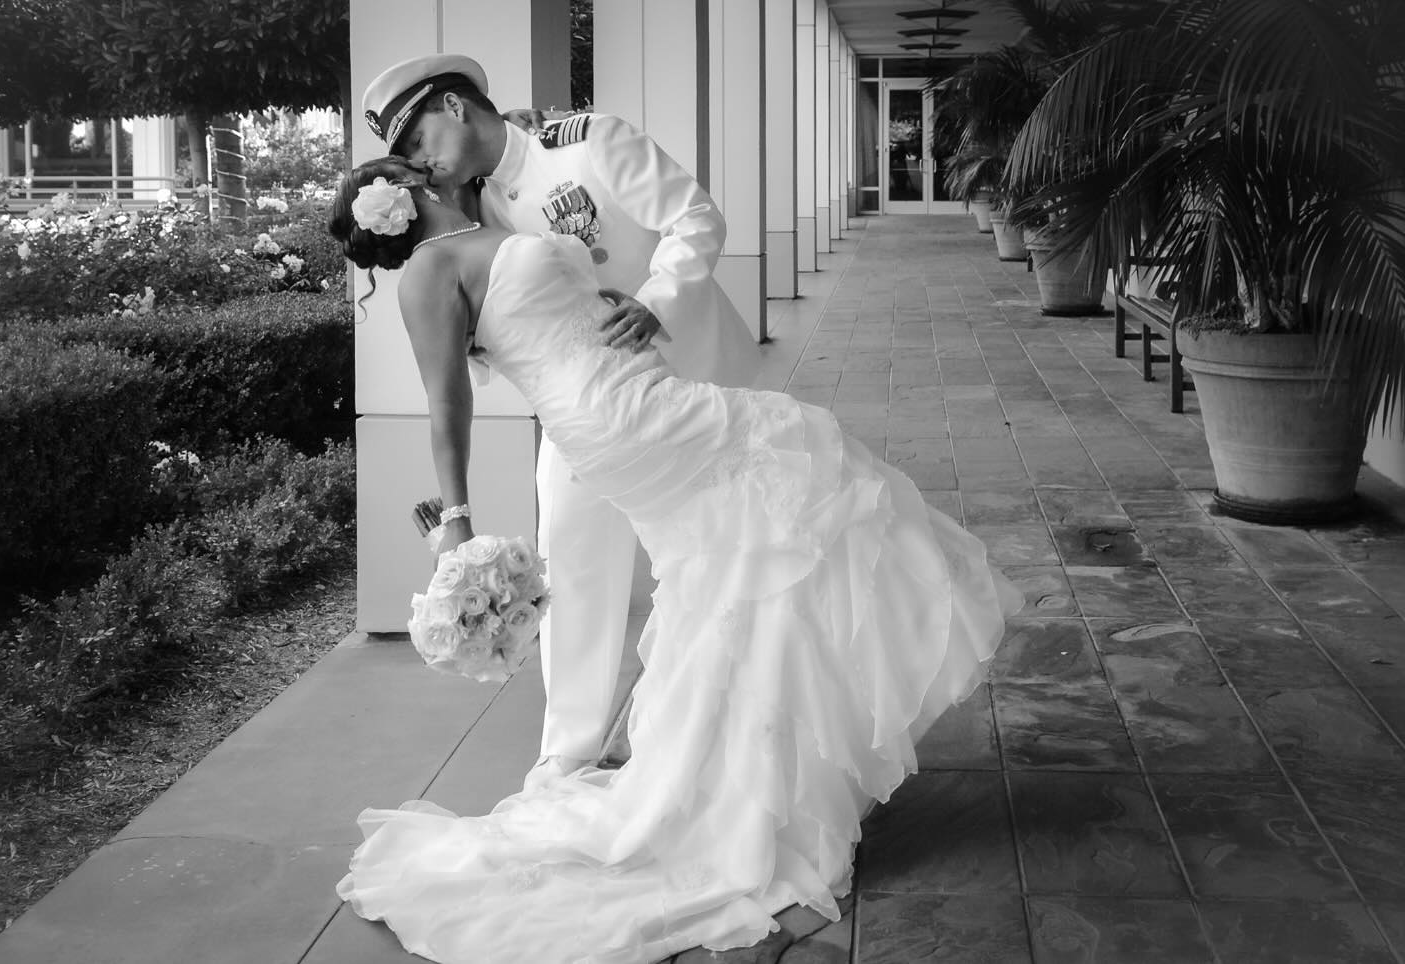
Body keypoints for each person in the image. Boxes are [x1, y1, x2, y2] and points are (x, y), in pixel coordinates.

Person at [329, 158, 1022, 964]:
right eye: (412, 155)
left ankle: (747, 779)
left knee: (738, 568)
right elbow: (449, 400)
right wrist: (455, 521)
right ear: (405, 196)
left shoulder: (490, 226)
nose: (427, 156)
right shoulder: (426, 271)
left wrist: (624, 305)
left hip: (632, 387)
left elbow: (554, 304)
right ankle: (751, 781)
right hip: (613, 418)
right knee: (805, 452)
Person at [361, 54, 762, 792]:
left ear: (452, 105)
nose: (419, 161)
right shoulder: (471, 210)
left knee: (720, 562)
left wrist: (656, 301)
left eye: (418, 139)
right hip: (585, 415)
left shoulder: (583, 141)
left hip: (687, 378)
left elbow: (695, 216)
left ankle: (719, 727)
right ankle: (568, 753)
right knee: (572, 561)